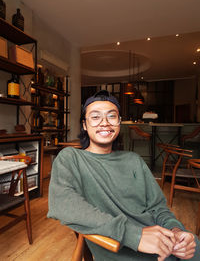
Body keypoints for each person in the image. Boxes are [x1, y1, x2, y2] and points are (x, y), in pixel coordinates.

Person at [48, 90, 199, 261]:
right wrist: (134, 235)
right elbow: (63, 205)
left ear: (119, 122)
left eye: (111, 116)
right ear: (84, 125)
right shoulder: (71, 158)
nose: (104, 123)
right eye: (95, 117)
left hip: (163, 240)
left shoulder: (133, 160)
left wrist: (176, 231)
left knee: (194, 248)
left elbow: (157, 207)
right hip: (120, 247)